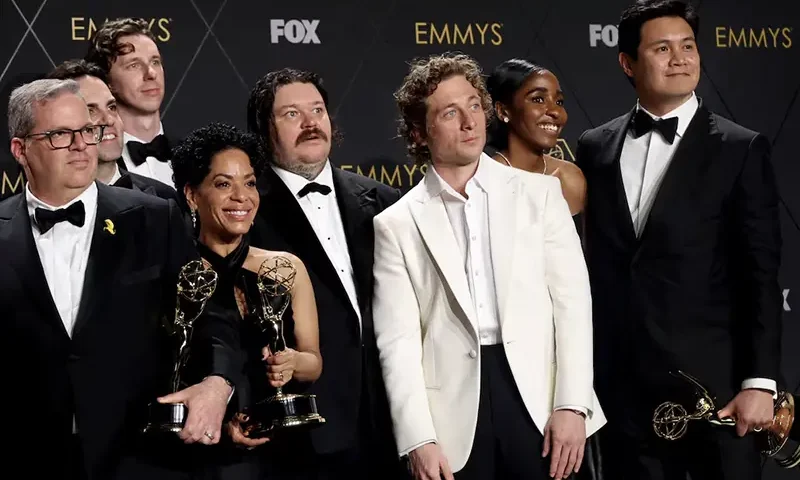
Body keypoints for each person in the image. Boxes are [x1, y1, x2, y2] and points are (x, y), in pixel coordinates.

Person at [373, 52, 606, 480]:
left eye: (475, 106)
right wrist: (418, 438)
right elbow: (398, 342)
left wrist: (573, 405)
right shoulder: (396, 224)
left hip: (540, 401)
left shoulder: (541, 195)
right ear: (420, 133)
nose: (469, 121)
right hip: (452, 418)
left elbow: (573, 306)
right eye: (450, 112)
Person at [575, 1, 783, 479]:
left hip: (718, 395)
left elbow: (761, 275)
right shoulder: (594, 147)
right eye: (662, 48)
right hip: (622, 395)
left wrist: (760, 382)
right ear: (627, 62)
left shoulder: (740, 147)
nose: (680, 59)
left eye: (688, 46)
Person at [0, 78, 240, 479]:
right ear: (20, 150)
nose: (81, 145)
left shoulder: (155, 218)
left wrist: (218, 384)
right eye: (60, 134)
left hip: (142, 457)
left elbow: (214, 316)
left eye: (87, 130)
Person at [246, 68, 405, 479]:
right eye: (292, 114)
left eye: (317, 110)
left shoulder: (385, 201)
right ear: (264, 130)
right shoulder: (246, 212)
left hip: (391, 420)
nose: (311, 123)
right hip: (303, 430)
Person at [172, 122, 323, 479]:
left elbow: (313, 362)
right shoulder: (176, 275)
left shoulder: (285, 268)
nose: (242, 196)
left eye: (250, 183)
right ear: (192, 195)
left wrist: (291, 362)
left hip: (283, 454)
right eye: (224, 184)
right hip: (200, 453)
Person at [46, 59, 176, 201]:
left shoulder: (164, 199)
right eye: (91, 111)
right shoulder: (38, 207)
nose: (108, 120)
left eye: (112, 107)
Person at [486, 59, 586, 216]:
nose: (556, 112)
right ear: (503, 111)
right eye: (538, 99)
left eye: (559, 102)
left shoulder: (571, 178)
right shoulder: (484, 182)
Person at [86, 18, 174, 188]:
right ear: (106, 81)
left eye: (155, 62)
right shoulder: (92, 162)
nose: (151, 74)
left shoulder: (195, 156)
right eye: (134, 65)